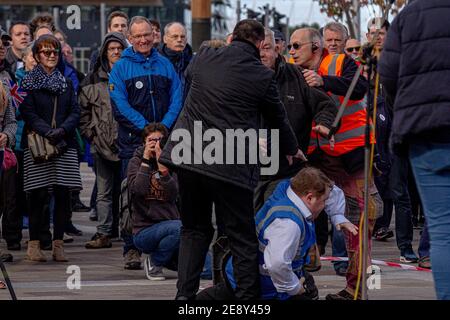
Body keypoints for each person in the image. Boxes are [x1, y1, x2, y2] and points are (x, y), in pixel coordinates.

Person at [159, 19, 303, 300]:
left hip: (189, 155)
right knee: (241, 234)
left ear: (231, 38)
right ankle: (247, 299)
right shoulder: (261, 76)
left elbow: (190, 81)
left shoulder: (204, 57)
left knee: (194, 230)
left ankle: (184, 297)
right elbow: (278, 118)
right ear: (261, 44)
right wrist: (292, 148)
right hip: (230, 161)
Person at [289, 27, 382, 300]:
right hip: (317, 157)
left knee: (363, 217)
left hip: (353, 155)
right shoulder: (291, 74)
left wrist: (323, 80)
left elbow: (359, 88)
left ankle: (359, 289)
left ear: (315, 48)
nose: (292, 51)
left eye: (297, 46)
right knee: (299, 211)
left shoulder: (341, 62)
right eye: (290, 46)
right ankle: (305, 270)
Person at [196, 167, 358, 300]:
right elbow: (277, 264)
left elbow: (332, 191)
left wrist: (337, 216)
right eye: (322, 201)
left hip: (254, 271)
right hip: (262, 281)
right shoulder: (288, 224)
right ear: (310, 198)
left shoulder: (290, 187)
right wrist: (294, 288)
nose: (324, 205)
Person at [378, 0, 450, 300]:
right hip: (425, 128)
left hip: (426, 129)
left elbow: (389, 74)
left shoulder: (409, 15)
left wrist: (406, 112)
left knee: (442, 226)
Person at [109, 16, 182, 270]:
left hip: (165, 140)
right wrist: (147, 131)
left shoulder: (165, 65)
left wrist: (161, 130)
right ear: (129, 39)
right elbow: (119, 104)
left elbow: (177, 97)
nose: (142, 40)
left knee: (168, 190)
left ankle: (167, 250)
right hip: (133, 142)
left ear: (154, 35)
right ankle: (131, 249)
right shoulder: (120, 68)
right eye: (137, 36)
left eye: (146, 35)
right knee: (133, 193)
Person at [19, 35, 81, 262]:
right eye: (46, 52)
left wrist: (62, 131)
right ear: (36, 56)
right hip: (37, 145)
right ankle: (34, 244)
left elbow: (76, 111)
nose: (52, 56)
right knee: (37, 194)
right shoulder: (27, 82)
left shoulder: (65, 82)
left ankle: (58, 243)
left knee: (64, 194)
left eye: (55, 51)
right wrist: (48, 131)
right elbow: (28, 113)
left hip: (64, 143)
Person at [79, 32, 127, 249]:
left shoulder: (130, 75)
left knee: (126, 190)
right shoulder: (92, 79)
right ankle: (104, 232)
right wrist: (92, 134)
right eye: (112, 48)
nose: (116, 52)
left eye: (119, 48)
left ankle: (127, 232)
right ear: (105, 52)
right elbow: (82, 112)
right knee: (105, 191)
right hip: (102, 144)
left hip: (127, 144)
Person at [128, 123, 181, 280]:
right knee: (179, 228)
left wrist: (162, 166)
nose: (155, 144)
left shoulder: (173, 163)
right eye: (151, 140)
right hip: (144, 231)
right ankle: (155, 262)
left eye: (159, 140)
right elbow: (138, 190)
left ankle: (168, 259)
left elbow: (174, 194)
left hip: (171, 227)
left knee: (207, 271)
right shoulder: (135, 162)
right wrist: (146, 160)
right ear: (144, 142)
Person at [1, 73, 19, 251]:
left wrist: (7, 135)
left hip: (2, 155)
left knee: (7, 201)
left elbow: (11, 122)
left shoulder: (2, 88)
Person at [158, 22, 192, 101]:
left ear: (186, 39)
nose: (179, 40)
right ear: (165, 39)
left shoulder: (194, 61)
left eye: (182, 37)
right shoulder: (155, 61)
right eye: (175, 36)